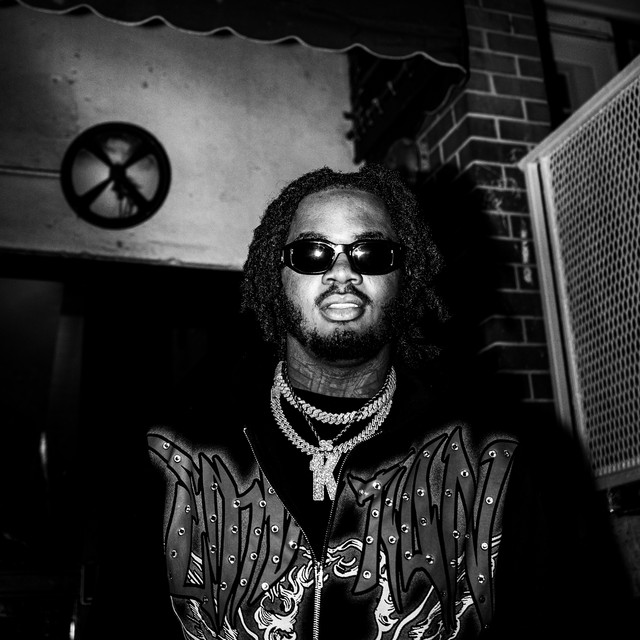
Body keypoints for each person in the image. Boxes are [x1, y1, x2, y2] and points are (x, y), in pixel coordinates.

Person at [143, 164, 632, 639]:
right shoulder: (175, 450)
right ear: (277, 275)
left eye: (371, 253)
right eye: (312, 253)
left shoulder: (498, 454)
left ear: (405, 277)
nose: (342, 272)